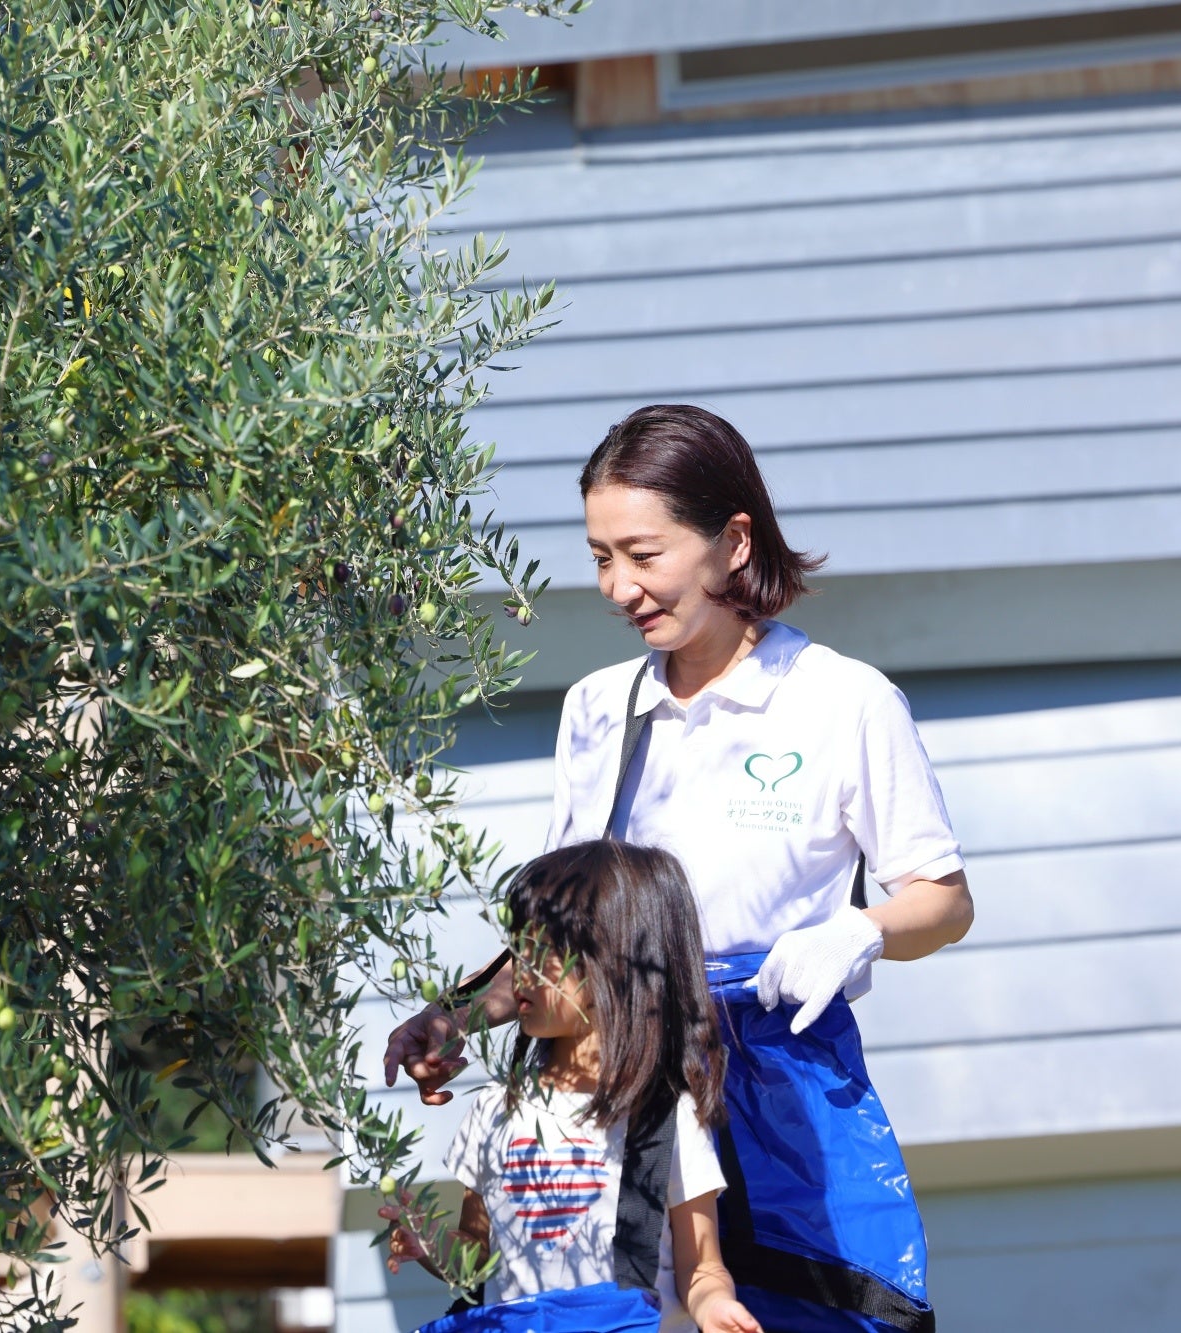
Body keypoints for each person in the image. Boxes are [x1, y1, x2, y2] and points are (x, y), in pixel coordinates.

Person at [383, 405, 974, 1333]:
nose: (618, 587)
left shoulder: (844, 701)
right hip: (625, 1085)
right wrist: (455, 1014)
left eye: (643, 554)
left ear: (733, 542)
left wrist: (857, 930)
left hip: (781, 1091)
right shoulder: (596, 710)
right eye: (599, 557)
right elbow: (567, 934)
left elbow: (944, 901)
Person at [383, 841, 762, 1333]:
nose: (521, 966)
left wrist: (714, 1308)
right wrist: (431, 1243)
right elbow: (476, 1257)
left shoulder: (666, 1116)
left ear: (619, 964)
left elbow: (702, 1266)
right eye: (518, 946)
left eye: (543, 949)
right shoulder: (494, 1111)